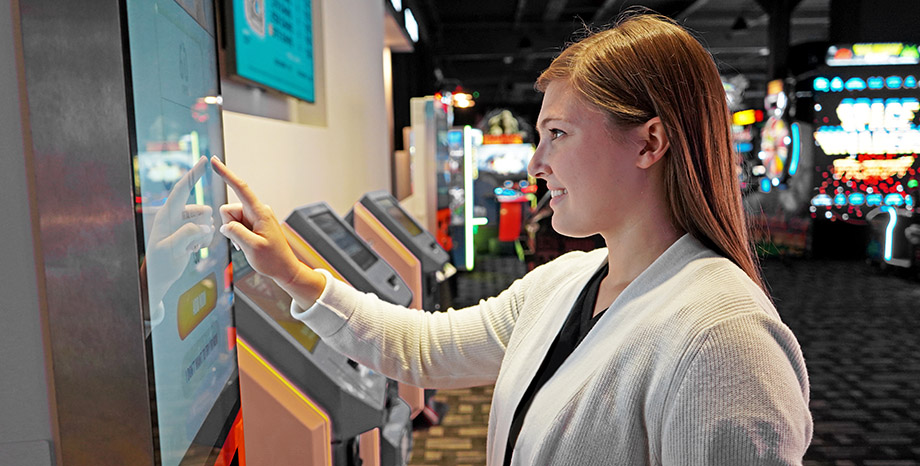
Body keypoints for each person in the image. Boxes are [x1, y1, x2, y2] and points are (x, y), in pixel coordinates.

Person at [211, 12, 812, 465]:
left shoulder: (722, 339)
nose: (535, 164)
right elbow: (425, 348)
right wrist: (294, 274)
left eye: (557, 134)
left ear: (649, 143)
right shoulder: (570, 280)